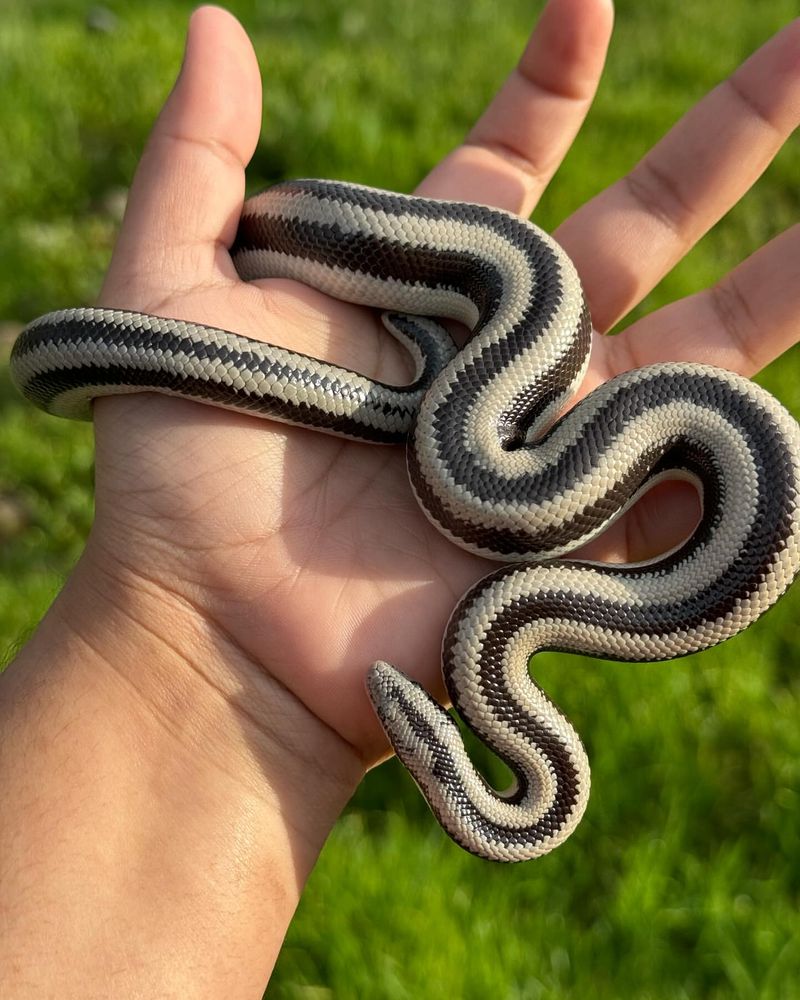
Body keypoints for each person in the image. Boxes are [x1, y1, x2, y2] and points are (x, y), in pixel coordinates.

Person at [1, 1, 798, 993]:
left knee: (499, 367)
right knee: (522, 321)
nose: (399, 697)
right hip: (539, 385)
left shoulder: (496, 628)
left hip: (563, 424)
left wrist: (191, 653)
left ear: (438, 767)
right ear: (443, 746)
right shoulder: (498, 623)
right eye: (417, 714)